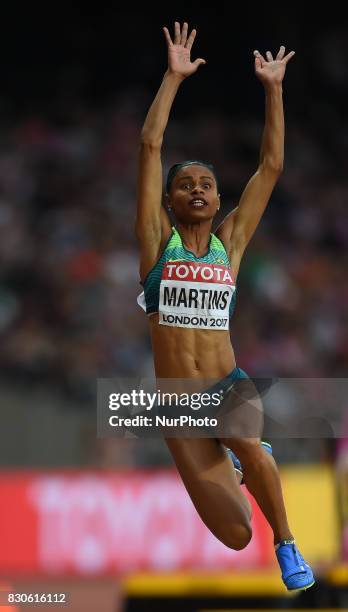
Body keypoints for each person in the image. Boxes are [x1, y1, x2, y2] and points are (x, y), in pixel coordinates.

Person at [135, 21, 314, 590]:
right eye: (185, 184)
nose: (196, 190)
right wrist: (172, 77)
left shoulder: (229, 245)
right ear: (169, 200)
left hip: (226, 384)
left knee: (248, 441)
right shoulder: (155, 246)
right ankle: (240, 461)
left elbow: (271, 168)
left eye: (206, 184)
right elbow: (149, 146)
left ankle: (287, 544)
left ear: (216, 200)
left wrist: (273, 89)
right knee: (235, 533)